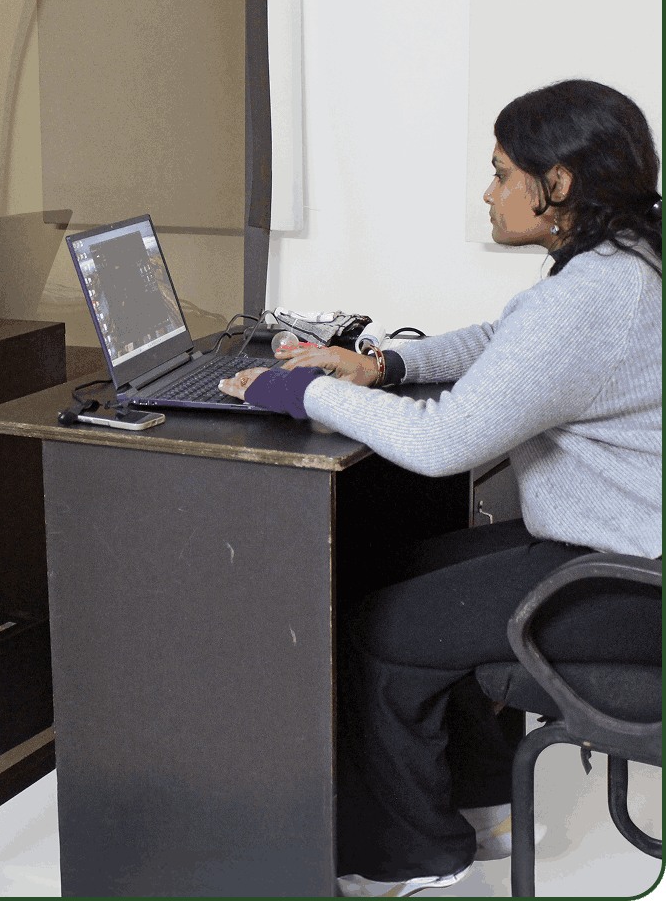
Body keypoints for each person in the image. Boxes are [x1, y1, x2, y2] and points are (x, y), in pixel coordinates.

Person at [218, 79, 662, 897]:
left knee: (380, 625)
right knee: (397, 566)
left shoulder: (600, 293)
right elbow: (508, 338)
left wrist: (304, 391)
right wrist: (384, 365)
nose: (489, 193)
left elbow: (443, 444)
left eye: (501, 172)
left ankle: (414, 854)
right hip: (616, 545)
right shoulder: (620, 260)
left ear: (556, 183)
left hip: (630, 578)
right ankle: (485, 806)